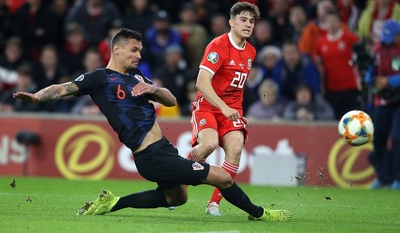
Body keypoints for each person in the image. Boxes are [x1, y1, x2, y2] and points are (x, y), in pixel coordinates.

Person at [13, 28, 291, 221]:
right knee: (223, 177)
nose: (139, 55)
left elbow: (170, 100)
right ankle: (260, 214)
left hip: (163, 150)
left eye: (141, 51)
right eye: (134, 50)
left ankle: (113, 203)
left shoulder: (138, 77)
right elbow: (63, 88)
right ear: (117, 49)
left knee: (177, 198)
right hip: (150, 155)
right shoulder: (99, 79)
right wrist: (37, 97)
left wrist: (152, 90)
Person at [188, 2, 259, 217]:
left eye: (252, 21)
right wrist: (224, 107)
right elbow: (201, 83)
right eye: (243, 20)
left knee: (236, 149)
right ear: (231, 22)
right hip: (208, 107)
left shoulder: (251, 52)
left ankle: (213, 204)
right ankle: (178, 178)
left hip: (231, 110)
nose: (248, 25)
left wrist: (234, 110)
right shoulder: (218, 46)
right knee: (208, 145)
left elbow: (235, 87)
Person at [367, 19, 400, 190]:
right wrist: (369, 79)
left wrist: (388, 81)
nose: (387, 41)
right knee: (378, 137)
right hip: (382, 100)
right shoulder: (377, 49)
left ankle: (398, 179)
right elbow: (370, 71)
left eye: (391, 37)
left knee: (397, 138)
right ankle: (383, 177)